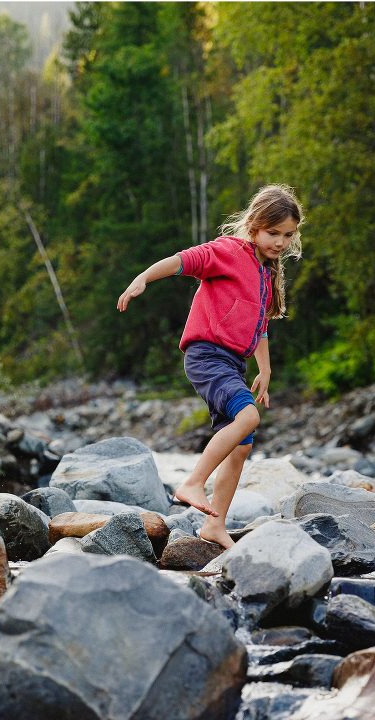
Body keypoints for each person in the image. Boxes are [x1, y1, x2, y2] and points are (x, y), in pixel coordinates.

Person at [117, 184, 303, 549]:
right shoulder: (227, 252)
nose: (280, 242)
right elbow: (182, 260)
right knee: (248, 418)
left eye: (288, 235)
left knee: (242, 446)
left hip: (233, 364)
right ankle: (192, 482)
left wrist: (264, 370)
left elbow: (260, 324)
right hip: (206, 355)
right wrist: (143, 278)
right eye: (272, 233)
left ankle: (213, 526)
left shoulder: (266, 273)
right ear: (253, 225)